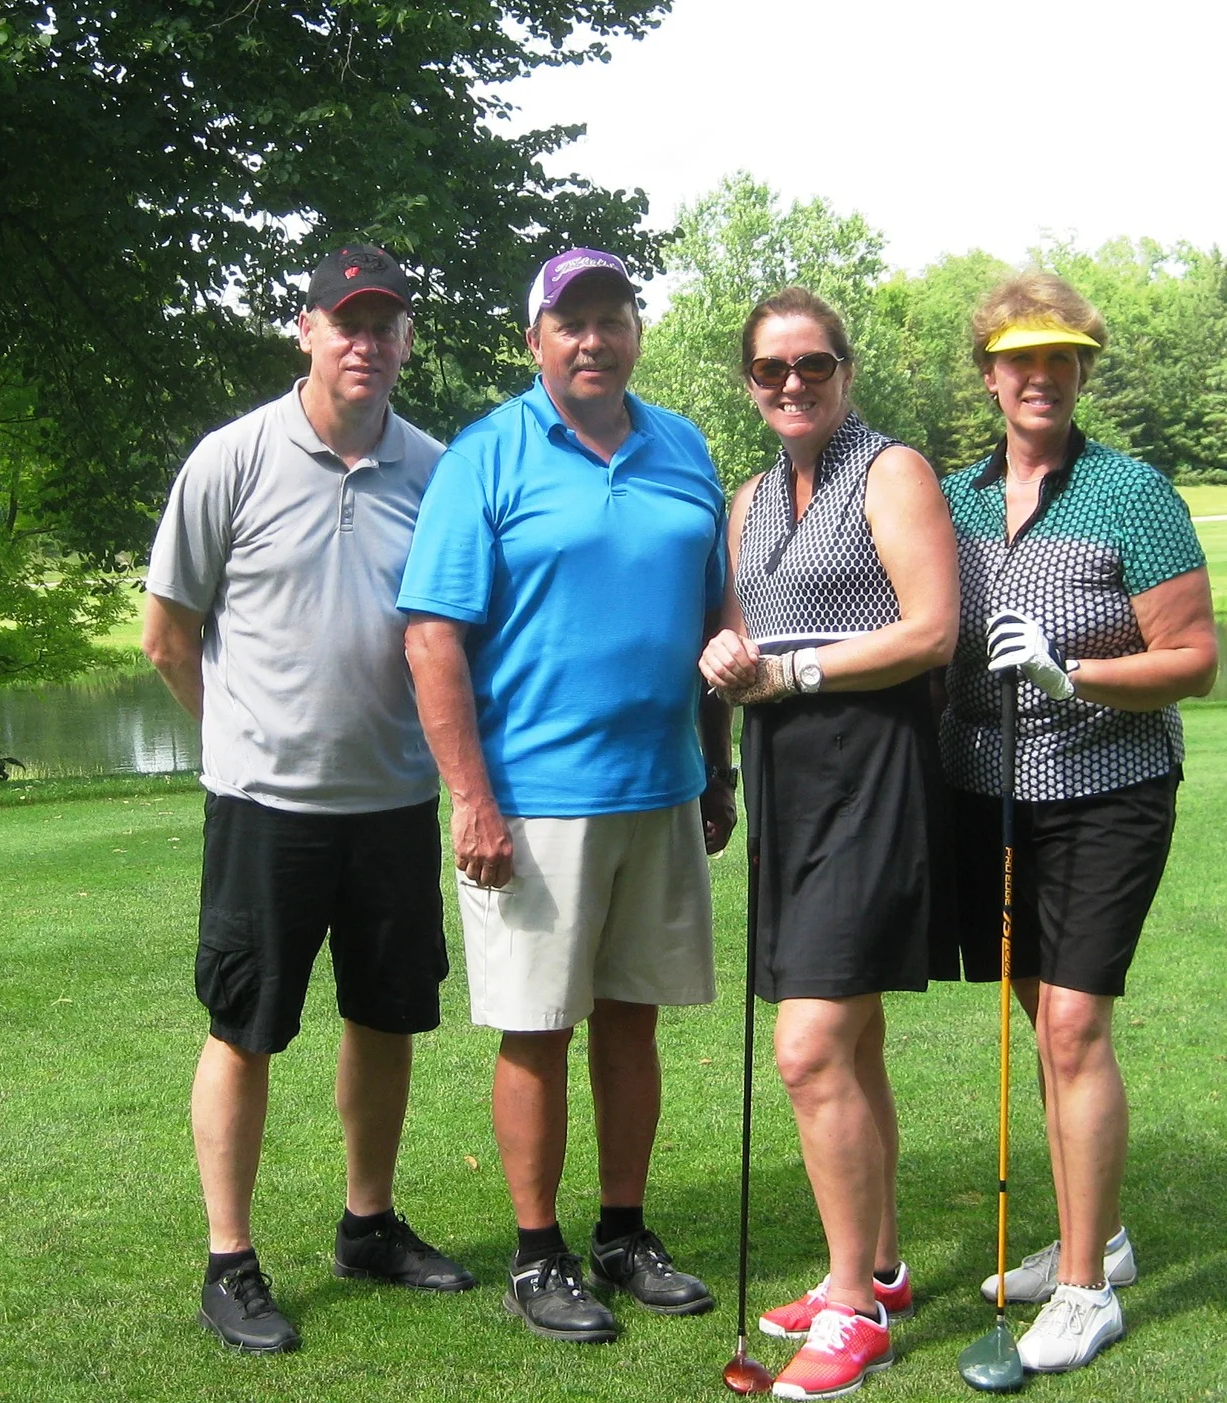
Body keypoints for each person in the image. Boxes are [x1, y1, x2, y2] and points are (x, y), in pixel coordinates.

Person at [399, 248, 736, 1345]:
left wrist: (717, 765)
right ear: (535, 340)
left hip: (663, 786)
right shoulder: (485, 456)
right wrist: (470, 799)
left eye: (612, 316)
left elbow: (713, 624)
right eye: (570, 321)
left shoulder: (682, 447)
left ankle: (623, 1233)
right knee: (537, 1026)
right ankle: (537, 1253)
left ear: (636, 329)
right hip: (535, 798)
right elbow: (432, 637)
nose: (594, 338)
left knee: (633, 1019)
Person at [142, 244, 475, 1355]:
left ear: (405, 340)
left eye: (385, 324)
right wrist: (241, 738)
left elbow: (453, 634)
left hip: (393, 800)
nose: (366, 342)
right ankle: (228, 1260)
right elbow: (167, 636)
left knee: (386, 1016)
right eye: (347, 321)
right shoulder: (231, 458)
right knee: (244, 1025)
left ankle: (367, 1224)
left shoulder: (436, 471)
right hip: (263, 807)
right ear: (308, 329)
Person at [939, 273, 1218, 1374]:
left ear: (1083, 368)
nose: (1040, 376)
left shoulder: (1131, 493)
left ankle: (1086, 1288)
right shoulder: (955, 498)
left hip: (1110, 785)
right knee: (1036, 1014)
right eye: (1020, 357)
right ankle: (1091, 1232)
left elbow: (1193, 659)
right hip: (990, 795)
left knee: (1072, 1025)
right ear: (990, 374)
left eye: (1061, 356)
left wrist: (1076, 673)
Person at [697, 289, 958, 1399]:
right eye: (771, 369)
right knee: (852, 1043)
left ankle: (852, 1306)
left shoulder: (891, 471)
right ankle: (881, 1267)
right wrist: (724, 663)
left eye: (812, 364)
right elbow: (739, 633)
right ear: (751, 383)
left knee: (808, 1048)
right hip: (788, 782)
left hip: (876, 769)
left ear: (846, 371)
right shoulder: (750, 498)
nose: (792, 383)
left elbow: (930, 629)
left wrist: (790, 669)